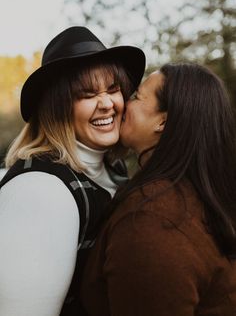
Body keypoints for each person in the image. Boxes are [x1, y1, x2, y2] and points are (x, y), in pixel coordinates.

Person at [0, 26, 145, 316]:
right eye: (87, 94)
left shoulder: (114, 169)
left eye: (113, 89)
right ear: (58, 108)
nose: (106, 104)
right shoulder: (40, 191)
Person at [80, 63, 236, 316]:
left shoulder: (152, 222)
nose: (122, 104)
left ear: (162, 122)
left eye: (137, 97)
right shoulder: (192, 197)